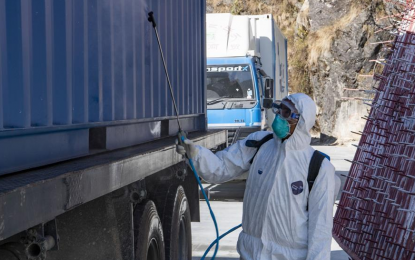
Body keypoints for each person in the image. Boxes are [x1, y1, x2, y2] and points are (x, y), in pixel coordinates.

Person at [176, 93, 341, 260]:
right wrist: (196, 154)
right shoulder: (259, 144)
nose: (278, 117)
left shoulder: (318, 167)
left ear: (301, 121)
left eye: (286, 113)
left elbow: (320, 230)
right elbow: (220, 169)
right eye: (279, 110)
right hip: (251, 254)